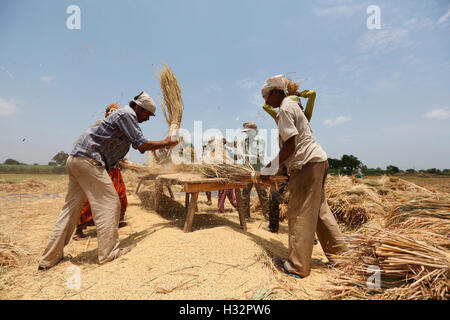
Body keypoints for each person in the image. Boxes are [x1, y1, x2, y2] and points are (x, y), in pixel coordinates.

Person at [38, 91, 179, 270]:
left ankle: (49, 259)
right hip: (90, 160)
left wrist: (163, 144)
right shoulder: (127, 114)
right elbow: (141, 144)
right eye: (147, 114)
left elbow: (141, 147)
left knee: (70, 210)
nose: (148, 119)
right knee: (111, 203)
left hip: (77, 159)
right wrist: (167, 142)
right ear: (138, 107)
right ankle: (108, 252)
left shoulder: (126, 118)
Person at [259, 75, 348, 278]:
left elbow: (291, 145)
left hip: (306, 164)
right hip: (318, 161)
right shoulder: (294, 106)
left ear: (277, 92)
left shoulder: (284, 109)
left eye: (267, 96)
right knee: (319, 212)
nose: (265, 102)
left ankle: (297, 266)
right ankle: (343, 259)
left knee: (298, 213)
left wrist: (270, 168)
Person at [262, 91, 316, 232]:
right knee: (275, 195)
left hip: (297, 162)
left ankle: (305, 233)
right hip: (286, 162)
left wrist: (292, 93)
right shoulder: (284, 115)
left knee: (299, 199)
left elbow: (265, 107)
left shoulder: (296, 115)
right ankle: (274, 226)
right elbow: (266, 106)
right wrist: (290, 94)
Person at [73, 104, 128, 240]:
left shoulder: (121, 130)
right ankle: (79, 230)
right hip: (99, 167)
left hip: (113, 168)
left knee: (120, 195)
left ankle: (115, 222)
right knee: (91, 198)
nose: (114, 113)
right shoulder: (100, 127)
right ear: (106, 114)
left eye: (117, 112)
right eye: (111, 111)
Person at [240, 122, 270, 220]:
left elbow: (259, 158)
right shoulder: (244, 141)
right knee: (244, 193)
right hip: (247, 171)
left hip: (258, 171)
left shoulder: (260, 140)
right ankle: (245, 216)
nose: (247, 133)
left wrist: (244, 156)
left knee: (262, 193)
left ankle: (268, 216)